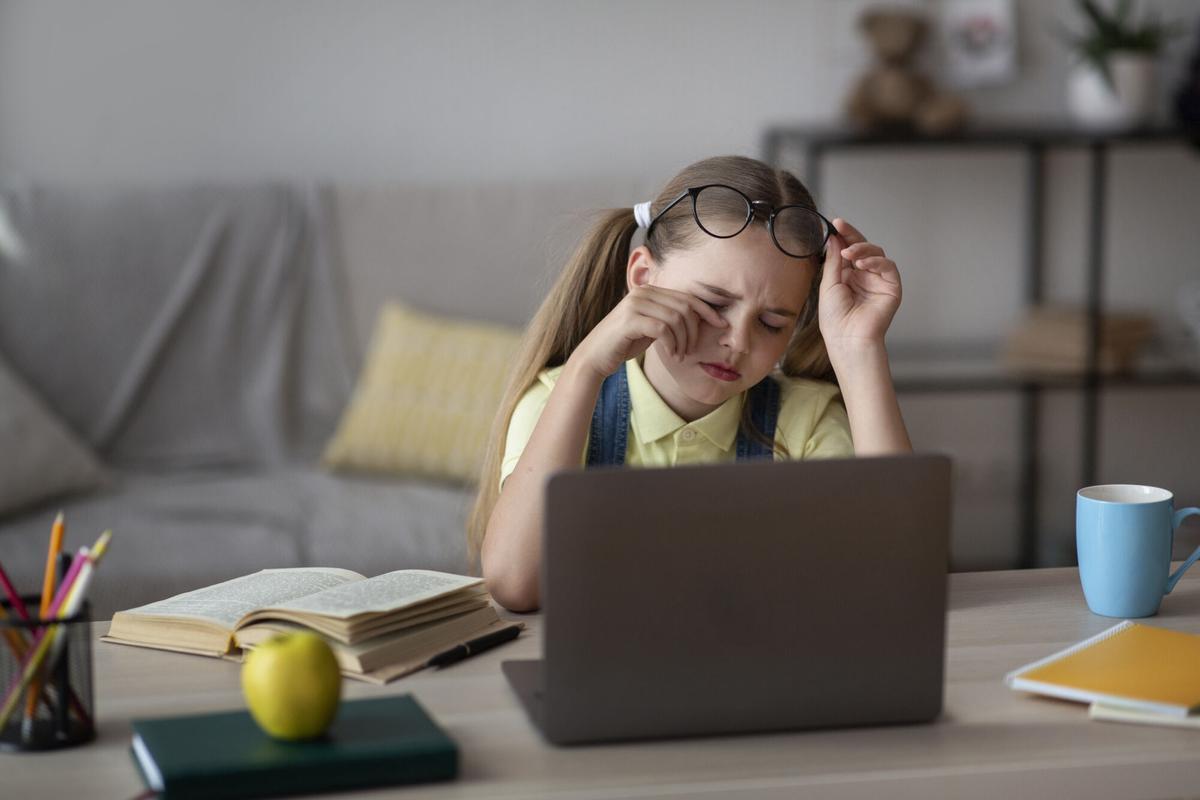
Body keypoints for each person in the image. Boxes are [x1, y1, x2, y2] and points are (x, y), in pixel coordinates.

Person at [467, 154, 912, 612]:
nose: (738, 340)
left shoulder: (805, 420)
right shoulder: (560, 400)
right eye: (714, 304)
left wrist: (860, 350)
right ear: (643, 278)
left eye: (772, 323)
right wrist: (584, 368)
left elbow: (898, 577)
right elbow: (516, 585)